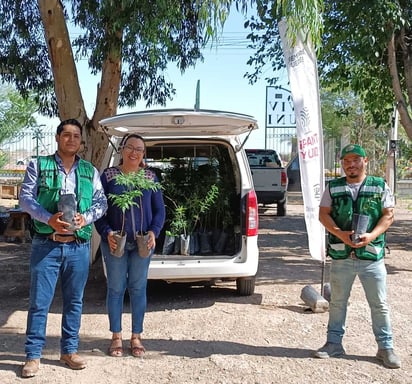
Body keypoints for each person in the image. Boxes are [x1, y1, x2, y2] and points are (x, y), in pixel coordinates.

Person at [19, 119, 108, 378]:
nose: (71, 139)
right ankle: (33, 356)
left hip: (78, 247)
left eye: (76, 136)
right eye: (66, 135)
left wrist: (86, 218)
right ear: (57, 138)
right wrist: (48, 218)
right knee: (39, 303)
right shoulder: (39, 165)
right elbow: (25, 197)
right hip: (46, 245)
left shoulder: (90, 170)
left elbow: (101, 202)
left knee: (74, 302)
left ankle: (69, 351)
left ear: (81, 141)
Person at [313, 144, 400, 369]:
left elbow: (388, 216)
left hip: (371, 257)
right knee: (338, 303)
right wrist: (339, 233)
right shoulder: (333, 187)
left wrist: (371, 236)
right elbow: (324, 215)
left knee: (379, 304)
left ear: (365, 161)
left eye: (355, 160)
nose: (350, 164)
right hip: (342, 256)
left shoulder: (379, 185)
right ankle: (333, 344)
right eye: (346, 160)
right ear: (342, 163)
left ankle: (385, 348)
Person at [94, 134, 165, 358]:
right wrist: (106, 233)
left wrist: (153, 231)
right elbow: (98, 210)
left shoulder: (149, 177)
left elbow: (159, 210)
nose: (134, 153)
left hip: (143, 241)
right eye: (130, 148)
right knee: (115, 289)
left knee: (138, 288)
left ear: (144, 154)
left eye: (140, 149)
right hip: (116, 241)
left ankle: (136, 336)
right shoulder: (109, 176)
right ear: (122, 150)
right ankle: (116, 335)